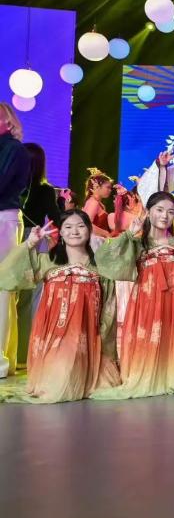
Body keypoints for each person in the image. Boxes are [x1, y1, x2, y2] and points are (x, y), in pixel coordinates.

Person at [0, 211, 120, 402]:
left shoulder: (98, 264)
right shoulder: (49, 261)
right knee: (57, 384)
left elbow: (111, 295)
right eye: (68, 227)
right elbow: (6, 275)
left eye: (80, 226)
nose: (74, 231)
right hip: (55, 333)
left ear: (89, 230)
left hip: (86, 334)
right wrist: (30, 244)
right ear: (61, 232)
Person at [91, 192, 174, 398]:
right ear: (148, 212)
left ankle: (171, 375)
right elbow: (106, 258)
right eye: (159, 210)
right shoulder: (138, 242)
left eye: (170, 212)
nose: (165, 216)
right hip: (146, 300)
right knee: (148, 335)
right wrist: (128, 235)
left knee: (173, 334)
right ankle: (147, 375)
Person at [15, 143, 59, 369]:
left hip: (12, 239)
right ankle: (24, 355)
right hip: (35, 241)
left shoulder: (11, 186)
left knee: (10, 299)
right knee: (30, 301)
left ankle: (9, 352)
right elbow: (56, 218)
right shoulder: (45, 190)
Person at [82, 167, 114, 238]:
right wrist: (105, 233)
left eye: (110, 188)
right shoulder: (93, 203)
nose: (110, 190)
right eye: (108, 187)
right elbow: (86, 224)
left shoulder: (98, 203)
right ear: (98, 187)